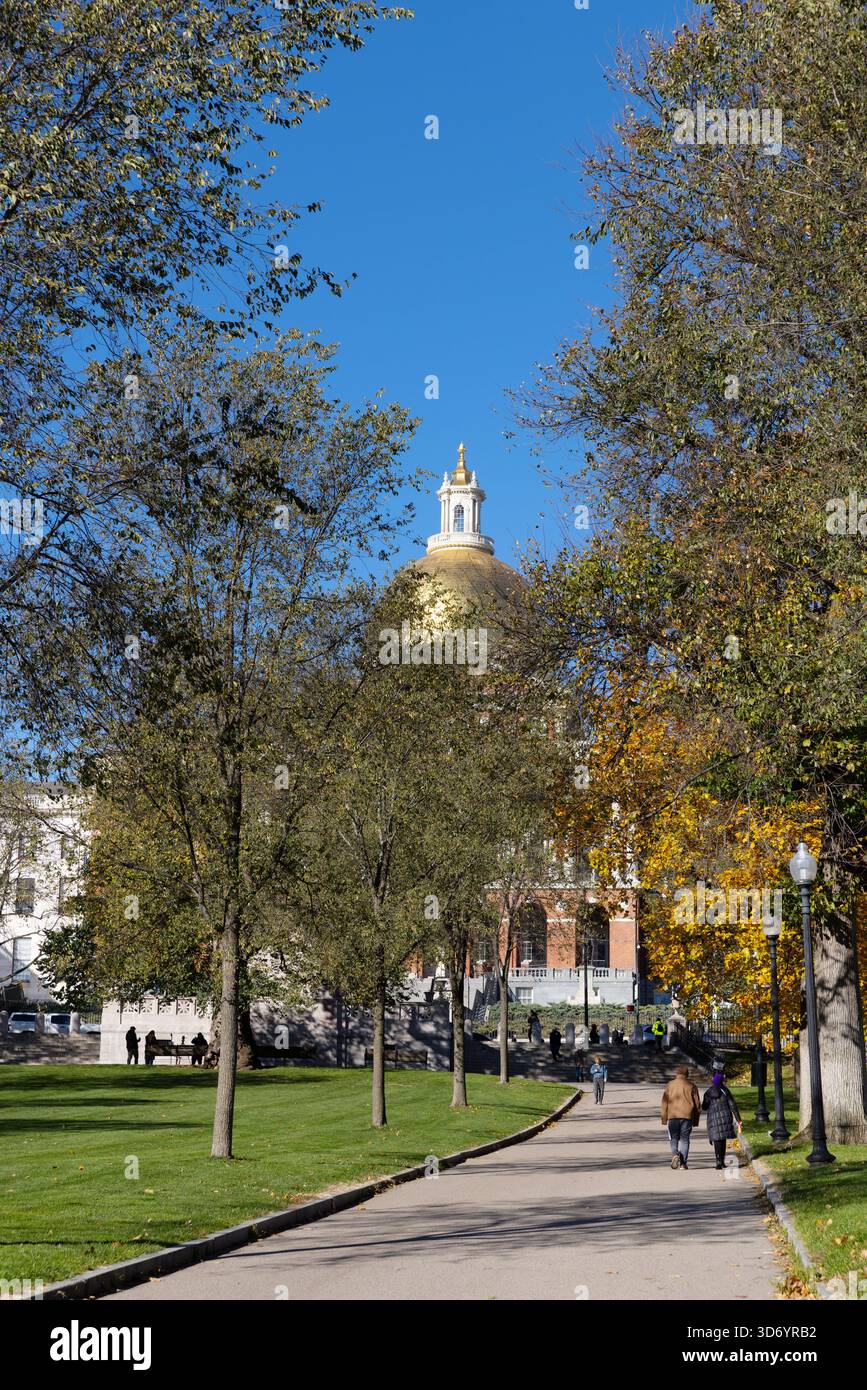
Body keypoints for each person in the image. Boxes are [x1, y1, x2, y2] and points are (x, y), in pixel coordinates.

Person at [660, 1064, 701, 1169]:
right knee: (685, 1139)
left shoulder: (670, 1085)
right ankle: (683, 1164)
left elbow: (664, 1102)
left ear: (677, 1074)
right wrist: (695, 1121)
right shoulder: (691, 1085)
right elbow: (697, 1105)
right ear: (687, 1074)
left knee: (673, 1138)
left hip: (673, 1116)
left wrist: (664, 1118)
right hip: (687, 1117)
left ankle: (675, 1154)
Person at [702, 1070, 743, 1169]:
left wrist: (706, 1102)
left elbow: (704, 1107)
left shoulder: (708, 1092)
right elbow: (732, 1105)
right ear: (721, 1080)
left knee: (717, 1139)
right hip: (725, 1117)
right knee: (723, 1139)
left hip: (713, 1118)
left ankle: (718, 1161)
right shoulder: (725, 1091)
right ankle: (722, 1162)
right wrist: (738, 1119)